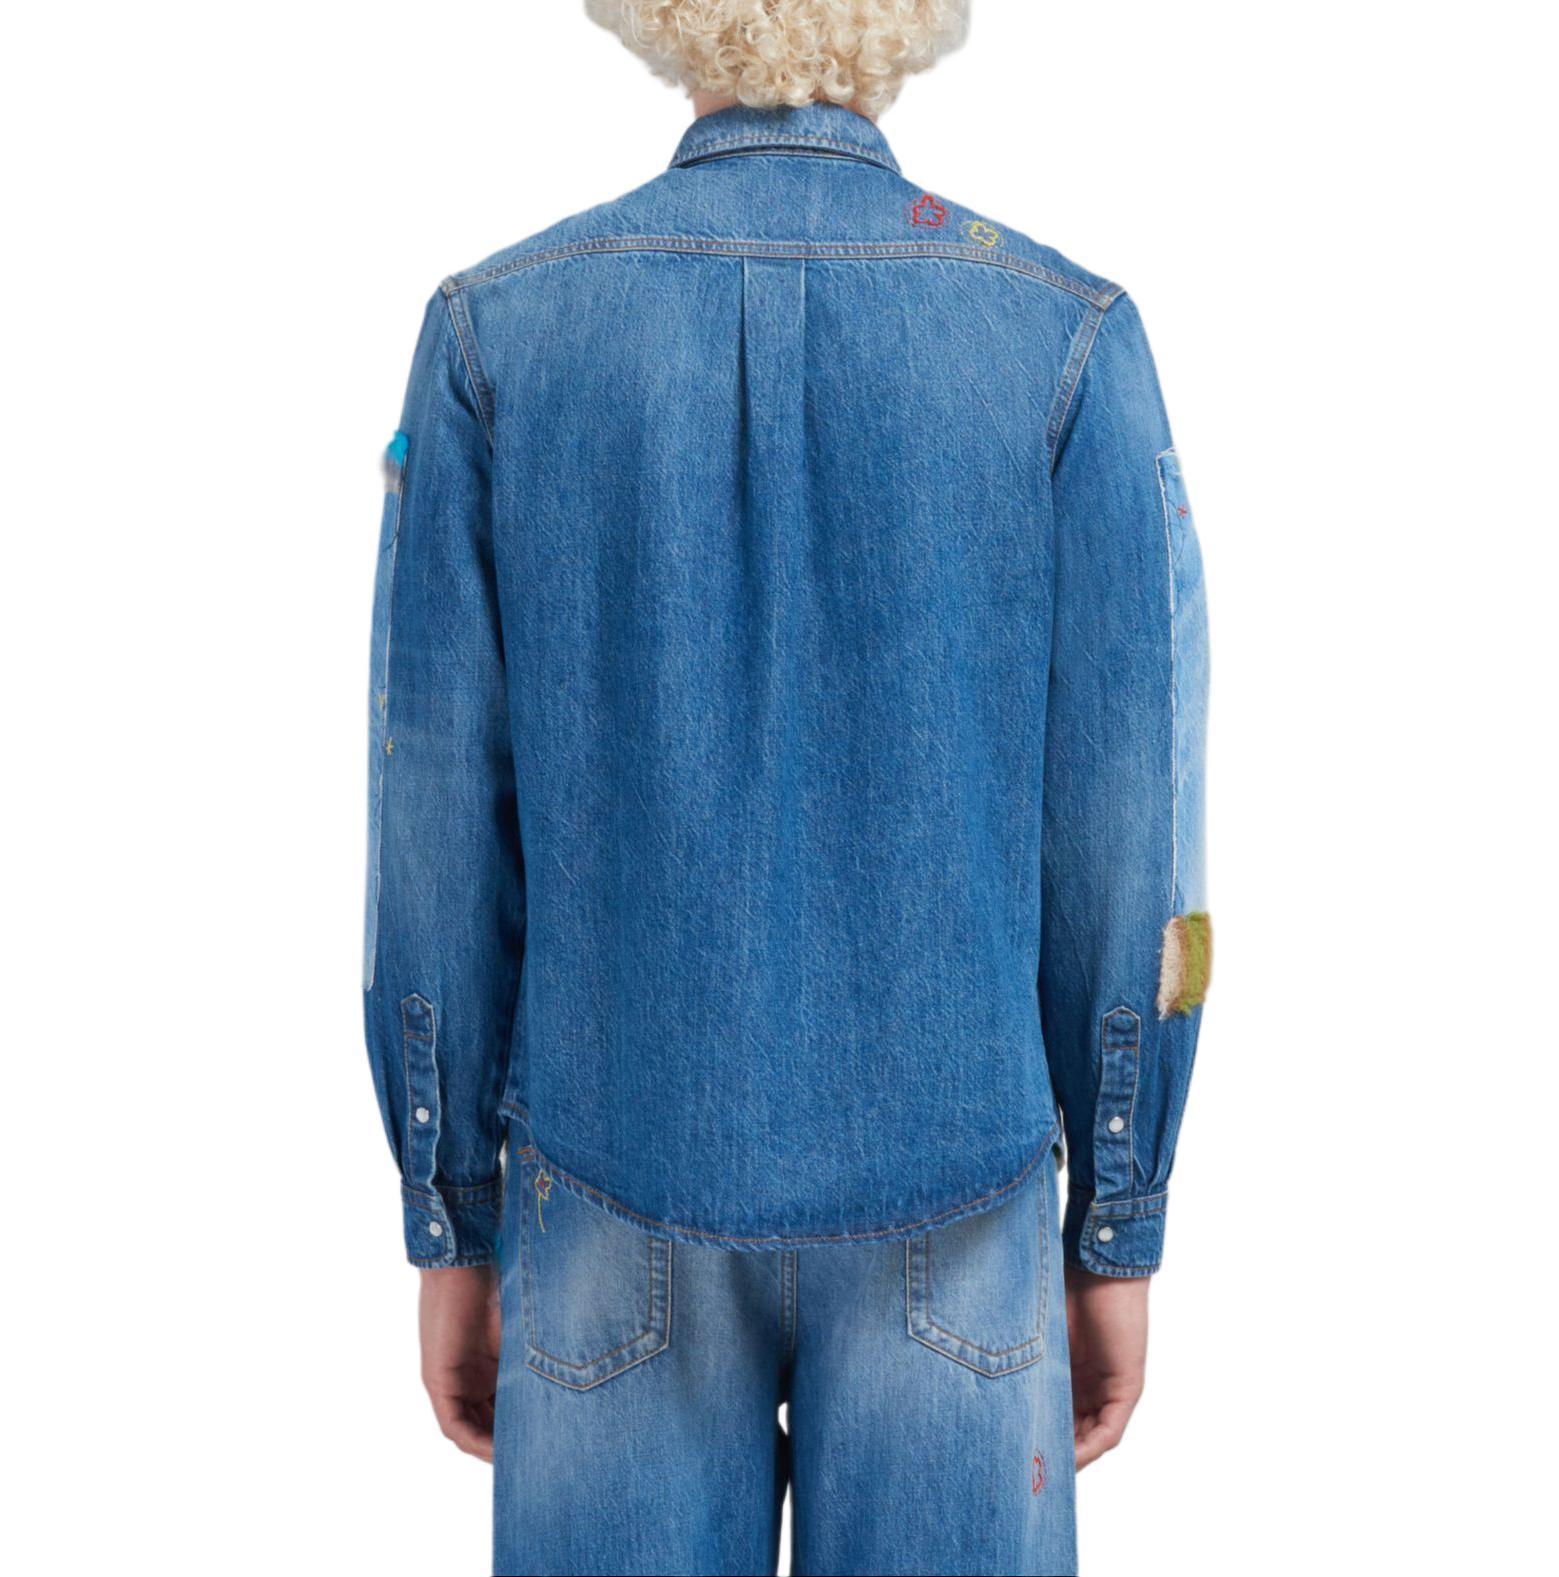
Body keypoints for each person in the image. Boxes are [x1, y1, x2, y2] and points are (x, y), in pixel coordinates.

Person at [361, 3, 1210, 1572]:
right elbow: (1132, 830)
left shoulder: (495, 332)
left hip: (602, 1178)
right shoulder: (1065, 338)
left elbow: (432, 821)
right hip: (959, 1201)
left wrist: (449, 1210)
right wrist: (1117, 1216)